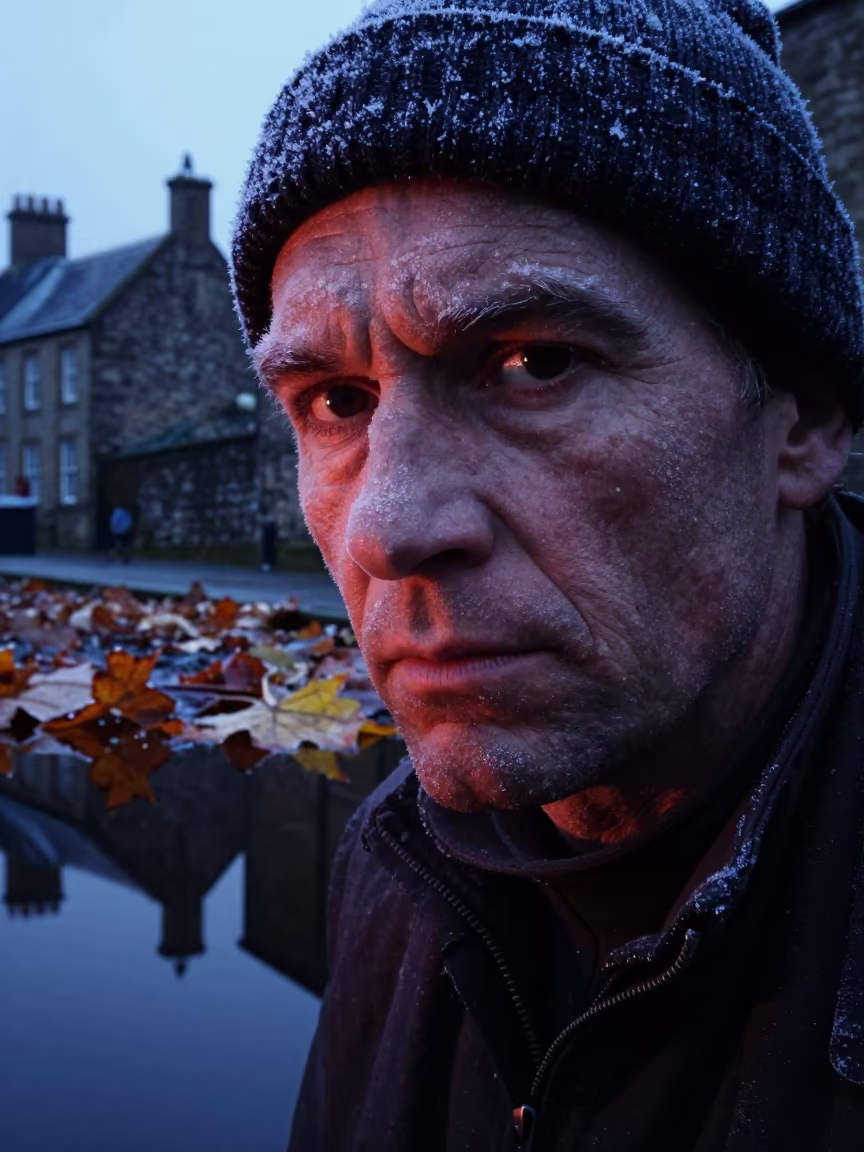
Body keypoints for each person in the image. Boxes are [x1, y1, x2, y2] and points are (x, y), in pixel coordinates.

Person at [231, 0, 864, 1147]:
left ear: (805, 418)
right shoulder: (395, 860)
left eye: (532, 362)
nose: (388, 525)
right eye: (334, 400)